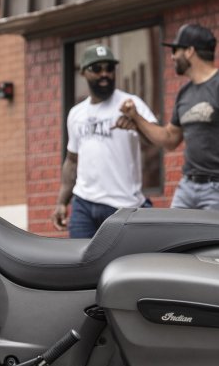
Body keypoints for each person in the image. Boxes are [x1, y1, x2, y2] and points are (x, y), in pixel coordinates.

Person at [117, 23, 219, 214]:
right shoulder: (185, 92)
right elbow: (169, 139)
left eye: (176, 50)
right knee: (174, 240)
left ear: (190, 51)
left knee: (211, 243)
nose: (173, 56)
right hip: (187, 186)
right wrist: (136, 120)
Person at [52, 44, 158, 238]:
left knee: (124, 266)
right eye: (97, 69)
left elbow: (156, 140)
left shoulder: (130, 104)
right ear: (83, 72)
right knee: (81, 265)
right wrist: (61, 202)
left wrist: (137, 123)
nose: (104, 74)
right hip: (83, 205)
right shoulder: (76, 114)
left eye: (109, 68)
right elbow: (72, 160)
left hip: (123, 206)